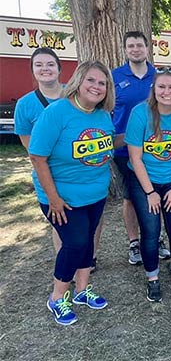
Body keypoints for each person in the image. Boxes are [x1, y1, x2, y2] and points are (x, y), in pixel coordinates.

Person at [29, 60, 116, 325]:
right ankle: (57, 297)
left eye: (102, 83)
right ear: (78, 81)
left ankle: (81, 291)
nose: (97, 86)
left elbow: (106, 145)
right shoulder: (57, 113)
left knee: (88, 239)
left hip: (95, 194)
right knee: (75, 243)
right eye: (91, 80)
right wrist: (53, 198)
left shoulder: (103, 115)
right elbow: (37, 156)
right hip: (61, 197)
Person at [124, 67, 171, 301]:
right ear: (154, 89)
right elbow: (135, 157)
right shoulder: (140, 113)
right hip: (144, 181)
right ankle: (152, 279)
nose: (167, 92)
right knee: (151, 231)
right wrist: (150, 192)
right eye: (161, 86)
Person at [14, 48, 78, 266]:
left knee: (87, 219)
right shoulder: (25, 104)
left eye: (50, 64)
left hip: (80, 171)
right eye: (38, 65)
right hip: (49, 173)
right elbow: (28, 144)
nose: (45, 69)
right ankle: (65, 263)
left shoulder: (75, 96)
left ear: (59, 68)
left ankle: (89, 260)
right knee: (59, 221)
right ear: (32, 70)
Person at [113, 31, 167, 266]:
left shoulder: (159, 77)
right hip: (125, 150)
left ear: (148, 48)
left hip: (157, 150)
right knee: (132, 198)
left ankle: (156, 239)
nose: (135, 49)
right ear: (125, 50)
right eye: (130, 46)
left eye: (139, 45)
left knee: (160, 195)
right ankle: (135, 242)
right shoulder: (114, 77)